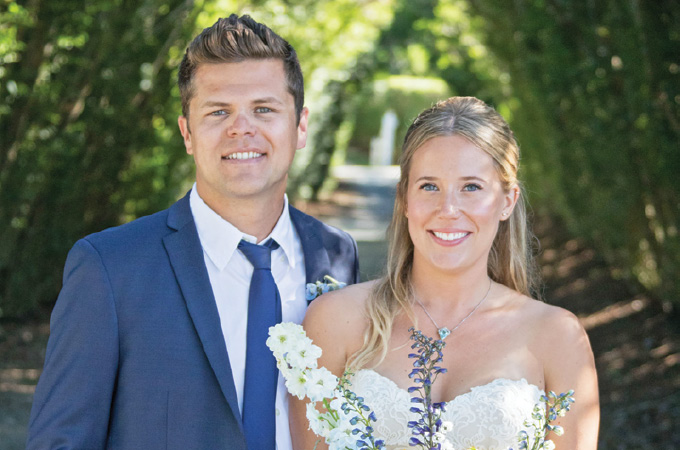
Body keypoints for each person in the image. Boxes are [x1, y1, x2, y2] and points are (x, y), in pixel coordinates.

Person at [26, 14, 359, 450]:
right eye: (218, 111)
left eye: (264, 109)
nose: (242, 128)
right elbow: (60, 441)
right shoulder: (109, 268)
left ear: (300, 126)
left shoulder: (336, 254)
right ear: (187, 132)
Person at [292, 97, 599, 449]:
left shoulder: (557, 337)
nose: (448, 209)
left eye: (471, 187)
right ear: (404, 199)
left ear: (507, 201)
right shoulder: (335, 320)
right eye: (429, 186)